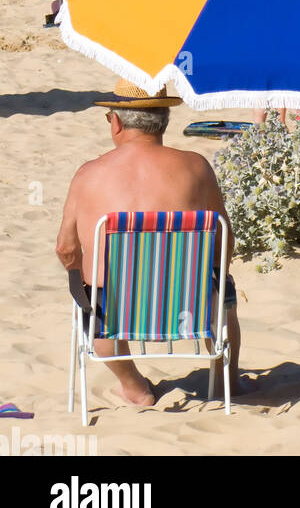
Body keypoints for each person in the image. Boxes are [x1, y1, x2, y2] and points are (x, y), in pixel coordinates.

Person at [55, 82, 242, 406]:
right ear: (165, 120)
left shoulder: (88, 174)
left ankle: (134, 387)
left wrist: (78, 278)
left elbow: (66, 248)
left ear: (115, 122)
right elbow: (224, 238)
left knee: (92, 300)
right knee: (222, 289)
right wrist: (216, 276)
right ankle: (227, 380)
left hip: (116, 311)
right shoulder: (196, 166)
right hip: (190, 303)